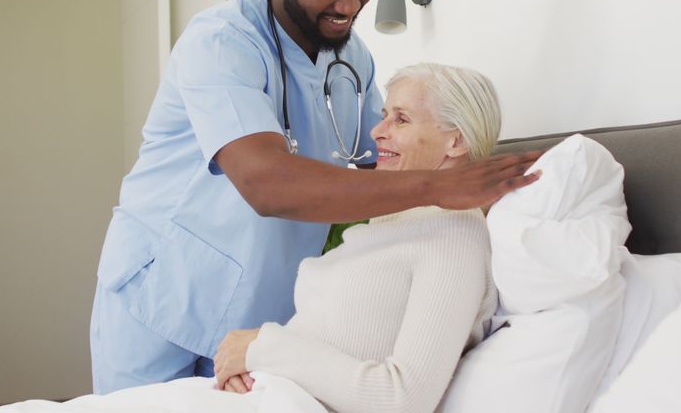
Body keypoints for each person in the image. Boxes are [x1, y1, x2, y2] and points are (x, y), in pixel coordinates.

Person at [90, 0, 541, 394]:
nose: (349, 5)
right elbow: (268, 185)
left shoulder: (351, 58)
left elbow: (384, 161)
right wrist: (438, 189)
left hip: (259, 321)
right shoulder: (221, 43)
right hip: (164, 298)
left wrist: (487, 192)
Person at [212, 64, 504, 413]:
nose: (377, 131)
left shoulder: (455, 234)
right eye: (384, 116)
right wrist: (247, 365)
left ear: (456, 141)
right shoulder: (393, 222)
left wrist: (261, 348)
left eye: (401, 119)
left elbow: (402, 399)